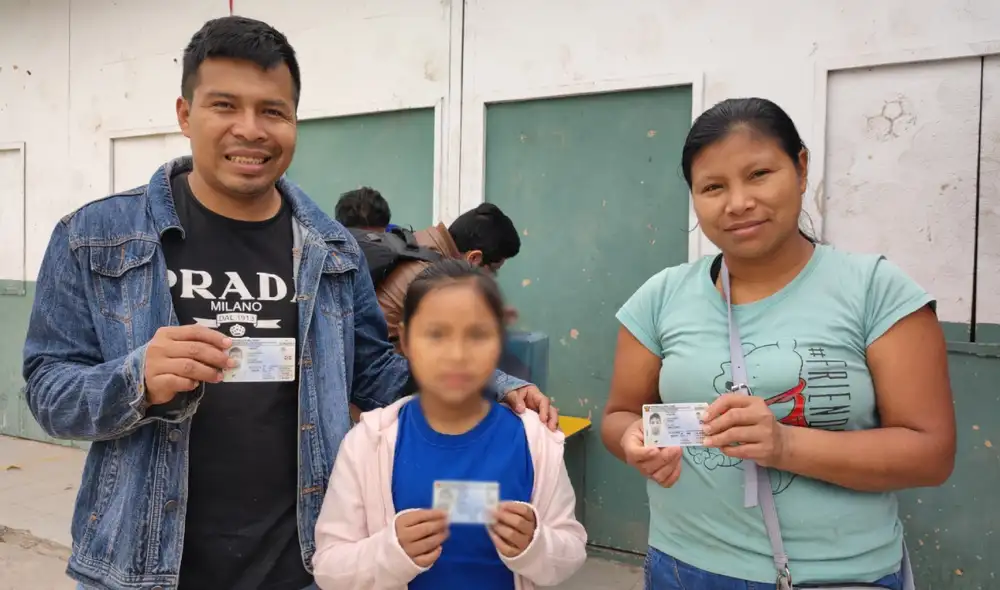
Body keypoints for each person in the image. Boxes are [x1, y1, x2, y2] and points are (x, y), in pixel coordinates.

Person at [21, 16, 556, 590]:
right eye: (224, 105)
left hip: (299, 564)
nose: (250, 130)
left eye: (272, 111)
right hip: (139, 568)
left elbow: (376, 374)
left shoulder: (333, 251)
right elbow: (48, 390)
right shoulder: (94, 236)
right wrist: (136, 378)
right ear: (184, 114)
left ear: (294, 120)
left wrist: (496, 385)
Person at [601, 97, 955, 589]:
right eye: (713, 187)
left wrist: (786, 444)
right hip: (683, 567)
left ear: (801, 168)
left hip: (840, 575)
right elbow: (621, 414)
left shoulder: (876, 289)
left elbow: (930, 454)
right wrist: (632, 441)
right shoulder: (659, 297)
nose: (738, 202)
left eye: (760, 174)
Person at [312, 259, 587, 590]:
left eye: (477, 335)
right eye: (436, 335)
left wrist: (536, 545)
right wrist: (390, 552)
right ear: (406, 341)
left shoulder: (535, 441)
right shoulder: (367, 444)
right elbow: (328, 568)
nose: (457, 354)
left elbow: (571, 551)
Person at [377, 202, 521, 345]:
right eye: (493, 270)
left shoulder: (421, 243)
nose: (491, 278)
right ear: (474, 259)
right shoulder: (433, 276)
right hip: (384, 360)